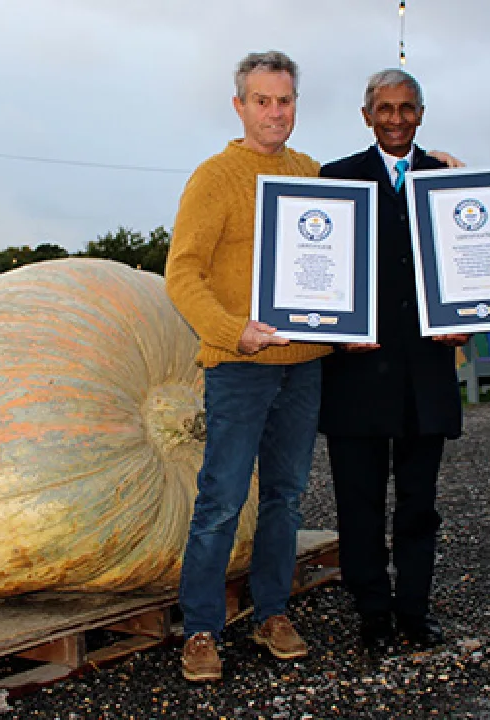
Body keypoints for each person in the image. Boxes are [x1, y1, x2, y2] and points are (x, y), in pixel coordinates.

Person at [164, 50, 331, 683]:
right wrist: (234, 330)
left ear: (295, 106)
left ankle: (271, 613)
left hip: (304, 363)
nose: (274, 112)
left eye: (284, 100)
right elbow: (182, 273)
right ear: (239, 106)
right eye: (261, 101)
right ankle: (202, 627)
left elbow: (345, 255)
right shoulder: (214, 178)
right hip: (238, 363)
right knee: (222, 500)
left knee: (286, 498)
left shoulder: (313, 175)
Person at [318, 68, 468, 653]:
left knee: (418, 508)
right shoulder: (335, 181)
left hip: (424, 379)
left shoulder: (451, 182)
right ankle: (372, 615)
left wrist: (466, 323)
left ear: (422, 113)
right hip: (356, 376)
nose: (397, 118)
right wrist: (333, 334)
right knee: (358, 507)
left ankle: (414, 612)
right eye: (385, 108)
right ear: (366, 115)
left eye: (407, 107)